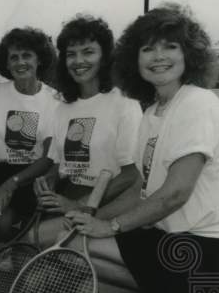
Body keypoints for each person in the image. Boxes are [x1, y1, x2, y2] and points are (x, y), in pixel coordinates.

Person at [66, 4, 219, 293]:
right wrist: (91, 216)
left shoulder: (197, 102)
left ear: (189, 55)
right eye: (147, 48)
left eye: (169, 46)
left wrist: (109, 226)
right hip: (167, 235)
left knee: (79, 246)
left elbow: (176, 192)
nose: (157, 56)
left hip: (200, 248)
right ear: (134, 61)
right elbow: (141, 186)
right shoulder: (152, 111)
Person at [34, 15, 142, 247]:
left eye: (88, 52)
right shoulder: (62, 106)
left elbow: (131, 174)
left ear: (105, 57)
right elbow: (57, 164)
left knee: (34, 240)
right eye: (71, 54)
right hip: (69, 194)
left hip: (107, 200)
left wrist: (81, 204)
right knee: (37, 269)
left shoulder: (124, 103)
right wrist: (46, 182)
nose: (78, 60)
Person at [0, 27, 59, 238]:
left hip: (35, 175)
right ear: (7, 63)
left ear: (39, 59)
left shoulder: (54, 99)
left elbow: (49, 156)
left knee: (39, 232)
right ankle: (10, 235)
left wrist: (11, 185)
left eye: (27, 56)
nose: (20, 62)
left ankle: (21, 240)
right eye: (14, 57)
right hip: (0, 172)